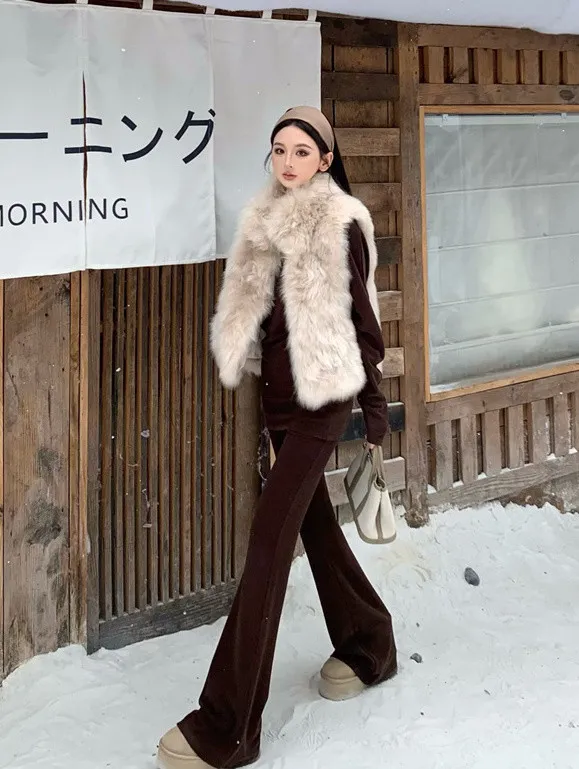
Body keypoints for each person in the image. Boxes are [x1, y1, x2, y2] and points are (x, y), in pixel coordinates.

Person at [157, 106, 398, 769]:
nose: (288, 162)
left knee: (267, 545)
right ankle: (369, 639)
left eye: (302, 151)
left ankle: (228, 725)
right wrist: (268, 414)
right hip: (279, 404)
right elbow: (265, 326)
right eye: (279, 150)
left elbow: (366, 321)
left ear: (325, 160)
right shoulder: (263, 220)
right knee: (311, 525)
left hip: (323, 400)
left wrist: (374, 409)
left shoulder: (341, 222)